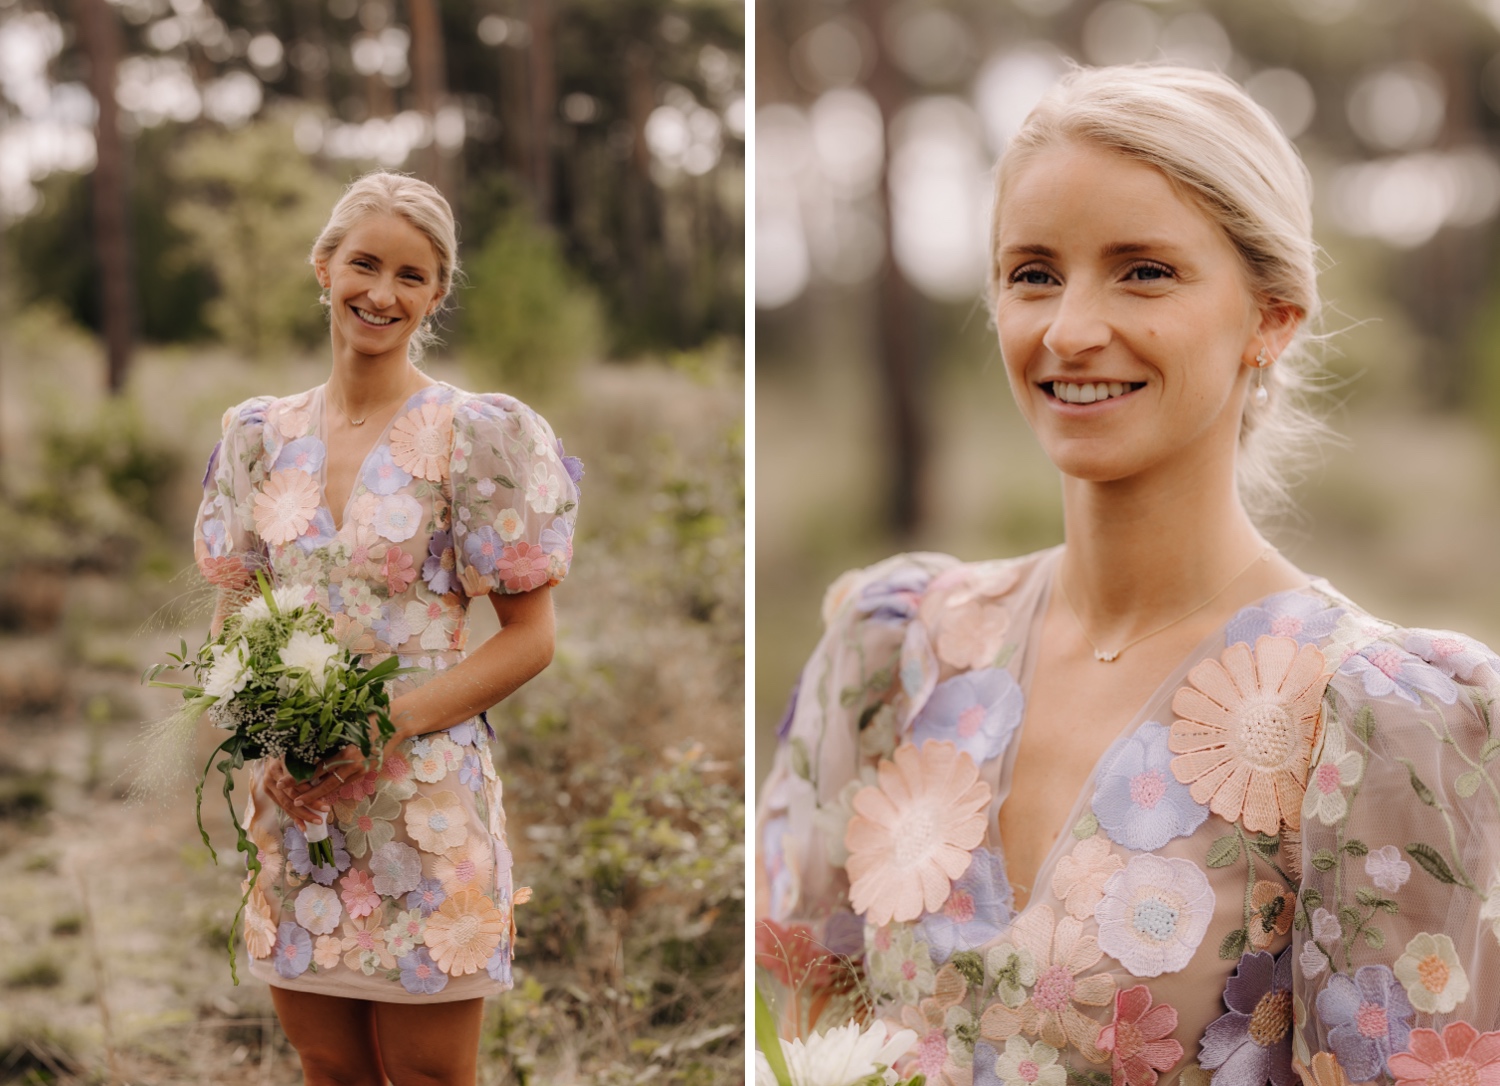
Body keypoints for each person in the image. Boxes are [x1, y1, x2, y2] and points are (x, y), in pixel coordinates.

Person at [756, 66, 1500, 1086]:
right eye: (1033, 272)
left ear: (1272, 316)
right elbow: (788, 1031)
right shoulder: (893, 652)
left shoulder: (1377, 720)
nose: (1069, 329)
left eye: (1143, 271)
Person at [193, 171, 581, 1086]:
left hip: (424, 805)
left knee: (430, 1077)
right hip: (297, 805)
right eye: (363, 264)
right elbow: (235, 613)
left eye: (411, 276)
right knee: (327, 1067)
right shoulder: (257, 437)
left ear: (436, 294)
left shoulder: (474, 435)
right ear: (322, 268)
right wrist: (263, 752)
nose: (381, 292)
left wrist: (383, 723)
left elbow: (531, 636)